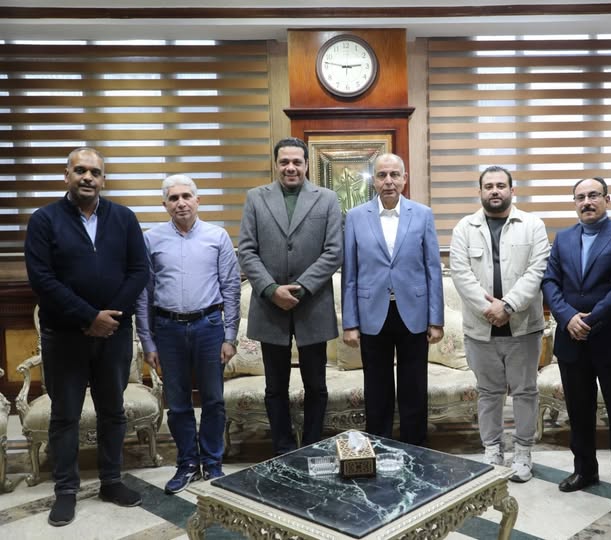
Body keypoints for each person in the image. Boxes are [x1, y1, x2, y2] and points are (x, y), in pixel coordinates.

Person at [24, 147, 149, 526]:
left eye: (95, 172)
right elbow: (42, 279)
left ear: (104, 179)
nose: (88, 178)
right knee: (65, 415)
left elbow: (139, 271)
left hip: (114, 334)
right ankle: (66, 490)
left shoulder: (124, 218)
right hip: (65, 336)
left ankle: (111, 481)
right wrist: (88, 317)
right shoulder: (44, 220)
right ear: (67, 176)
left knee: (113, 410)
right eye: (80, 170)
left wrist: (110, 318)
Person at [540, 176, 611, 510]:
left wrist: (589, 320)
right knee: (579, 411)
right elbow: (550, 281)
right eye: (580, 197)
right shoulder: (563, 238)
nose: (587, 202)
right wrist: (568, 317)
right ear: (575, 202)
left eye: (593, 195)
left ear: (607, 199)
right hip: (572, 340)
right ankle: (584, 470)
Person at [135, 174, 240, 494]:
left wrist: (230, 336)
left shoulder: (217, 236)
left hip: (209, 327)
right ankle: (187, 463)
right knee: (178, 402)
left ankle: (213, 462)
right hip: (167, 330)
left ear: (197, 200)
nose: (180, 203)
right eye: (173, 198)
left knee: (213, 400)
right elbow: (143, 294)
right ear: (165, 204)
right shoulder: (151, 239)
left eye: (186, 196)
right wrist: (147, 341)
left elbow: (231, 287)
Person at [238, 137, 342, 456]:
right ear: (276, 164)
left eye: (297, 162)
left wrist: (301, 287)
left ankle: (311, 448)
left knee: (316, 385)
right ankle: (283, 450)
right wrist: (272, 290)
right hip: (270, 307)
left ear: (307, 164)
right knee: (274, 387)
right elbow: (247, 251)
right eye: (284, 162)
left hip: (313, 304)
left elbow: (334, 251)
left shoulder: (327, 199)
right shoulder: (256, 198)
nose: (291, 167)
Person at [449, 166, 550, 482]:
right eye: (489, 186)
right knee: (488, 392)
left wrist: (508, 306)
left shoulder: (533, 225)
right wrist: (489, 310)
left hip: (523, 327)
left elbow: (537, 271)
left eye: (501, 185)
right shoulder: (464, 228)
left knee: (525, 391)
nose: (495, 190)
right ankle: (492, 450)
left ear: (512, 190)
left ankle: (523, 452)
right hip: (481, 329)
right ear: (480, 191)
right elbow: (460, 274)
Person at [342, 153, 444, 446]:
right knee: (377, 390)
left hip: (413, 311)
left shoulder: (422, 214)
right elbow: (350, 272)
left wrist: (436, 320)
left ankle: (416, 451)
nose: (388, 181)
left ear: (404, 179)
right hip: (372, 313)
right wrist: (350, 323)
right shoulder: (356, 216)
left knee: (414, 388)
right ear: (373, 181)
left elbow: (432, 269)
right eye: (382, 175)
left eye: (394, 175)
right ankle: (380, 447)